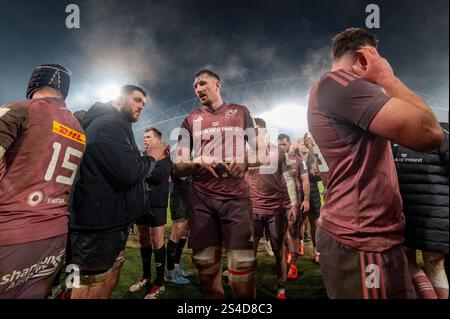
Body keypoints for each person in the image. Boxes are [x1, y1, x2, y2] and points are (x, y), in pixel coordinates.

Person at [307, 27, 443, 299]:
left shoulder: (329, 87)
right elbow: (430, 133)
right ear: (365, 56)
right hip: (361, 237)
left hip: (362, 232)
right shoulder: (343, 84)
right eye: (377, 57)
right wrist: (386, 77)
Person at [67, 85, 168, 299]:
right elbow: (129, 172)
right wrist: (151, 157)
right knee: (86, 286)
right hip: (97, 225)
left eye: (144, 103)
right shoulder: (109, 124)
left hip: (109, 220)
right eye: (137, 99)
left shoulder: (116, 124)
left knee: (102, 278)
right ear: (119, 99)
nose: (141, 106)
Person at [172, 69, 266, 299]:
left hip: (236, 200)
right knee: (206, 272)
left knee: (241, 275)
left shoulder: (240, 112)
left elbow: (262, 153)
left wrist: (244, 160)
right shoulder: (190, 119)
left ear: (218, 85)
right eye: (195, 86)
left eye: (203, 83)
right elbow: (177, 167)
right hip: (202, 201)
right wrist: (197, 161)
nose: (198, 89)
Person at [0, 64, 85, 298]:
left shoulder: (20, 108)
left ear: (35, 82)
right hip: (54, 235)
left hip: (11, 232)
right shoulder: (78, 127)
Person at [393, 122, 449, 299]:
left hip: (405, 213)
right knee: (435, 265)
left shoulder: (395, 139)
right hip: (436, 215)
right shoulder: (441, 135)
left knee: (407, 261)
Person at [247, 118, 300, 299]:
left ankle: (281, 289)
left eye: (257, 130)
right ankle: (248, 288)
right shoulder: (246, 153)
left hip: (275, 210)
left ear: (264, 131)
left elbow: (289, 178)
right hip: (253, 210)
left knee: (279, 251)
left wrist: (294, 203)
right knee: (250, 253)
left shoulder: (278, 152)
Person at [128, 127, 172, 299]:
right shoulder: (145, 157)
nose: (145, 139)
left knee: (157, 241)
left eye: (148, 137)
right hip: (141, 204)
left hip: (156, 205)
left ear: (157, 140)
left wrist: (142, 166)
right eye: (144, 137)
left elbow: (158, 175)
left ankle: (159, 283)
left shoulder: (165, 157)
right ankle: (146, 277)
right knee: (143, 240)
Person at [277, 133, 310, 280]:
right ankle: (287, 256)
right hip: (276, 201)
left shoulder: (298, 161)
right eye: (279, 144)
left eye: (284, 144)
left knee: (292, 229)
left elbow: (305, 180)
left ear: (289, 144)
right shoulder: (273, 160)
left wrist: (306, 199)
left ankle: (294, 265)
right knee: (280, 232)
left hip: (293, 200)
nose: (281, 147)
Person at [166, 175, 194, 284]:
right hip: (179, 196)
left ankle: (176, 266)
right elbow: (181, 174)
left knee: (184, 231)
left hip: (189, 195)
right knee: (177, 232)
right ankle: (170, 273)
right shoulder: (179, 158)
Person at [298, 136, 322, 264]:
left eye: (305, 143)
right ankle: (297, 246)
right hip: (298, 193)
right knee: (298, 222)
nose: (304, 145)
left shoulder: (313, 158)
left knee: (315, 222)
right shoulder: (293, 157)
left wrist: (316, 173)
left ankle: (316, 251)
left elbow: (320, 177)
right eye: (301, 143)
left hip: (313, 193)